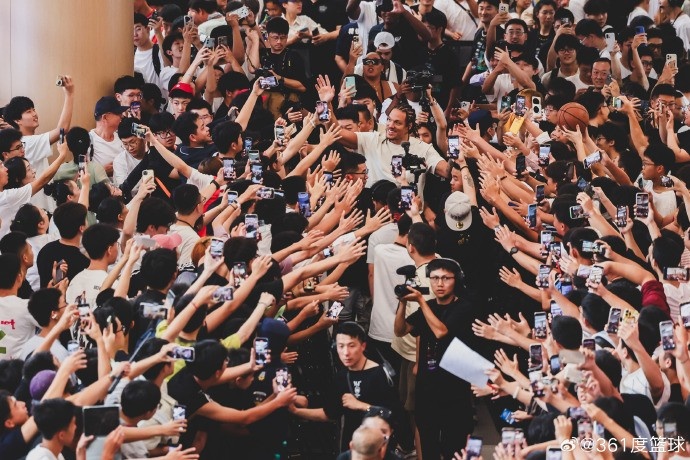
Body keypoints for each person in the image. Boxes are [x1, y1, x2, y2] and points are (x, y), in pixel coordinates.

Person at [394, 257, 480, 459]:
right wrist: (402, 303)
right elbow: (400, 330)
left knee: (454, 446)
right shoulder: (428, 306)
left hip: (454, 385)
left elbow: (441, 332)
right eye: (434, 278)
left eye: (445, 278)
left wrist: (421, 301)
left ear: (456, 280)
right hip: (427, 385)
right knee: (428, 443)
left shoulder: (464, 307)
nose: (439, 284)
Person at [290, 322, 403, 451]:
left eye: (351, 346)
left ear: (363, 346)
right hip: (351, 446)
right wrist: (296, 410)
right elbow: (330, 413)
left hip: (377, 448)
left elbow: (393, 415)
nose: (346, 352)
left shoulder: (379, 374)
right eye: (341, 346)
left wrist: (362, 406)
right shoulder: (341, 376)